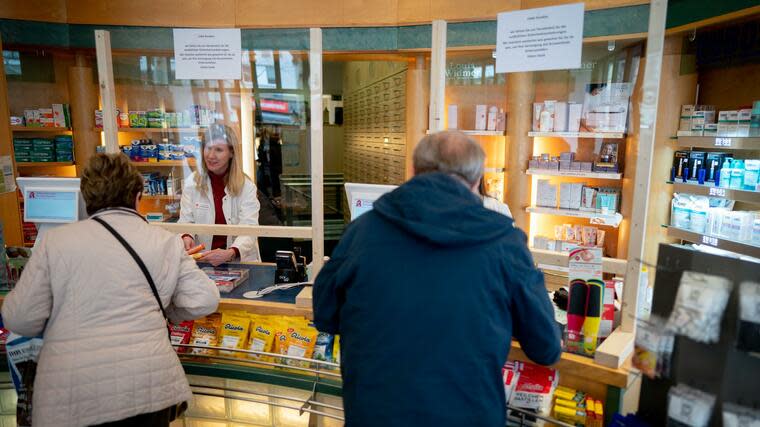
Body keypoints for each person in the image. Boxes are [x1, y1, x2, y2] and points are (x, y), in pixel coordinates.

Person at [313, 131, 561, 427]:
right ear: (476, 180)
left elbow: (326, 314)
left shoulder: (363, 231)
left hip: (375, 414)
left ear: (413, 171)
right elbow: (545, 347)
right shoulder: (505, 243)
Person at [1, 153, 220, 427]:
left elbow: (18, 318)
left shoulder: (56, 242)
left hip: (76, 395)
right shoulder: (164, 242)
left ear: (86, 198)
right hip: (149, 390)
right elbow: (206, 299)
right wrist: (164, 309)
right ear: (138, 195)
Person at [180, 123, 261, 265]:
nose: (211, 155)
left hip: (237, 261)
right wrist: (186, 236)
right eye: (208, 148)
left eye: (218, 150)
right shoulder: (192, 183)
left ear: (231, 153)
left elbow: (249, 227)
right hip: (203, 260)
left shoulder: (246, 186)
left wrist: (231, 252)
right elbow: (186, 221)